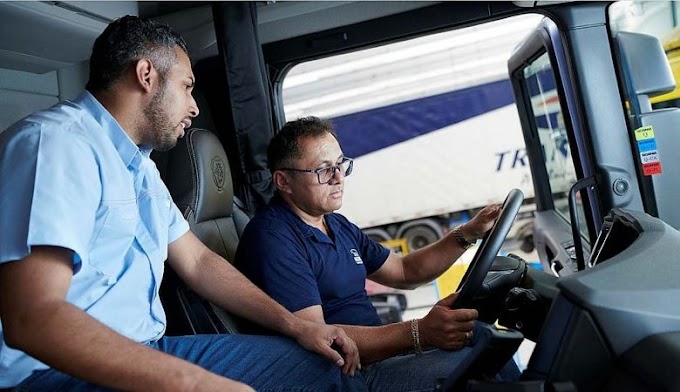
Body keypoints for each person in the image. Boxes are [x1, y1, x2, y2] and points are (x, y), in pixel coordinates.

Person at [0, 17, 367, 392]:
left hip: (145, 348)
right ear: (146, 75)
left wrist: (298, 326)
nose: (193, 107)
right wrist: (195, 384)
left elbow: (199, 262)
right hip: (52, 372)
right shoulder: (56, 145)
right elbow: (33, 318)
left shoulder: (140, 166)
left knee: (325, 365)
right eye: (186, 87)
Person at [235, 116, 519, 391]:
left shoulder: (335, 223)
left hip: (380, 356)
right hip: (350, 374)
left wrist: (468, 232)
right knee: (489, 364)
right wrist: (420, 332)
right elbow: (322, 341)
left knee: (485, 337)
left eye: (340, 164)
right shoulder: (274, 238)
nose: (338, 178)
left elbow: (406, 271)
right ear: (283, 181)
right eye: (323, 170)